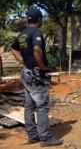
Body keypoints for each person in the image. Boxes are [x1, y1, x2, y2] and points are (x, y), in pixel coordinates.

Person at [11, 8, 63, 147]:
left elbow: (13, 49)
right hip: (36, 74)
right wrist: (42, 66)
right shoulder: (36, 32)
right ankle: (45, 138)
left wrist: (23, 61)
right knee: (42, 106)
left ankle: (33, 136)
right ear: (39, 19)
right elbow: (36, 49)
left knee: (29, 106)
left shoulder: (22, 34)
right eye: (42, 19)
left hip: (26, 72)